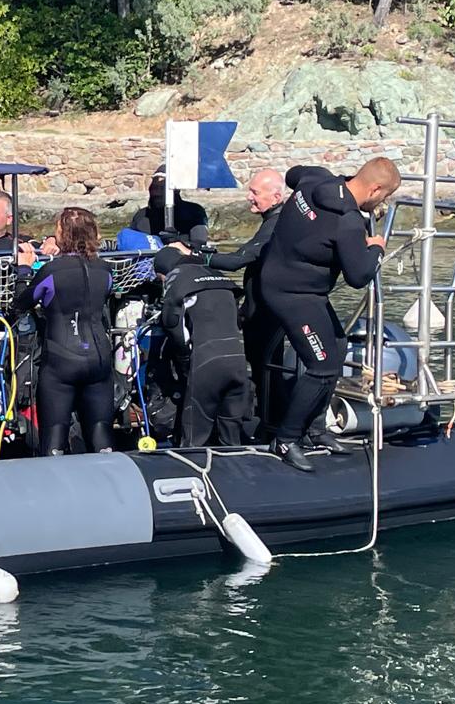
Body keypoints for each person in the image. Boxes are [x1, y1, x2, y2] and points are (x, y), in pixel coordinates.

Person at [259, 158, 402, 472]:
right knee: (321, 365)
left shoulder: (316, 179)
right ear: (375, 189)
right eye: (385, 196)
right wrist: (376, 247)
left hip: (286, 280)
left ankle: (315, 430)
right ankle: (285, 439)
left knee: (337, 346)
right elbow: (358, 276)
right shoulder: (348, 222)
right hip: (292, 294)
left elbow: (291, 174)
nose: (382, 203)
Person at [13, 207, 116, 456]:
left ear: (62, 235)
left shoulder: (52, 271)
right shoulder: (105, 270)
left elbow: (20, 304)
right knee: (102, 438)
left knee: (54, 440)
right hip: (99, 360)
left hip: (61, 362)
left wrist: (24, 270)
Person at [154, 233, 255, 448]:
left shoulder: (177, 279)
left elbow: (174, 327)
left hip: (206, 363)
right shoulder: (219, 276)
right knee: (231, 436)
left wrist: (184, 362)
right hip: (238, 360)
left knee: (194, 438)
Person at [205, 168, 288, 412]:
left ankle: (271, 421)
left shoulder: (276, 225)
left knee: (266, 370)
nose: (249, 197)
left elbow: (238, 260)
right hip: (257, 307)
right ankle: (266, 416)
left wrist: (198, 256)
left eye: (255, 192)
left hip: (266, 312)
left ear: (276, 197)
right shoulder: (273, 221)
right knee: (261, 369)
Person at [130, 166, 208, 245]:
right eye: (154, 188)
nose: (157, 193)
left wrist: (177, 242)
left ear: (175, 190)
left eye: (162, 188)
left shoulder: (194, 212)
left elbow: (199, 243)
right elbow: (130, 244)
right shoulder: (142, 216)